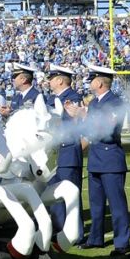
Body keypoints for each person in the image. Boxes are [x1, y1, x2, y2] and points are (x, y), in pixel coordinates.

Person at [77, 63, 130, 254]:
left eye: (92, 79)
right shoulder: (94, 103)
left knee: (116, 204)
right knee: (96, 203)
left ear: (100, 82)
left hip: (110, 158)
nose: (90, 82)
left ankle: (122, 242)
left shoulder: (116, 102)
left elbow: (108, 131)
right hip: (96, 159)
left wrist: (85, 121)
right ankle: (96, 238)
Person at [46, 64, 85, 227]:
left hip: (67, 152)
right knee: (55, 195)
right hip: (55, 154)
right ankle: (59, 227)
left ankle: (76, 231)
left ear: (60, 80)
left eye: (52, 79)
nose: (49, 82)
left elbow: (71, 127)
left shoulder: (72, 98)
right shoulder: (52, 99)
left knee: (70, 195)